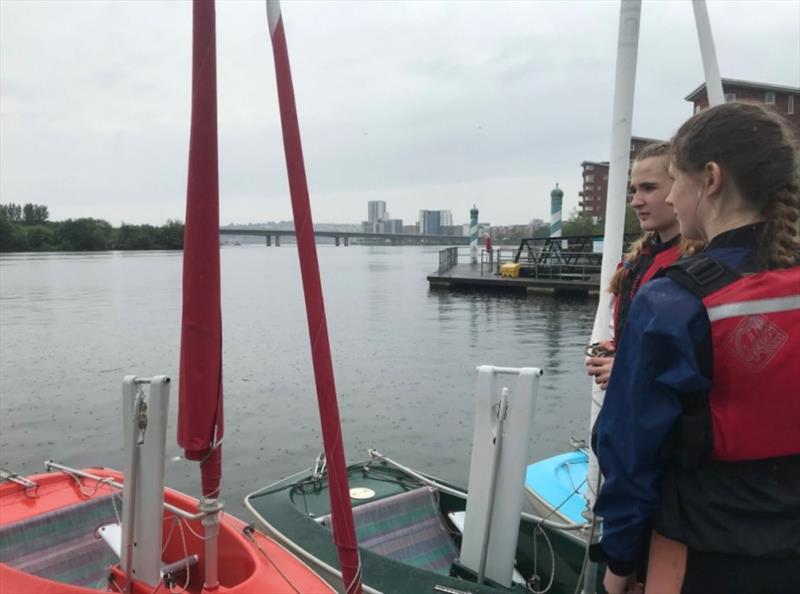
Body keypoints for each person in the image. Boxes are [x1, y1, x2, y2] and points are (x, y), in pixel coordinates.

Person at [591, 101, 800, 594]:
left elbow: (629, 449)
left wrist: (619, 563)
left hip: (703, 545)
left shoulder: (675, 300)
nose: (675, 199)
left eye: (675, 183)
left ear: (710, 179)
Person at [586, 142, 685, 390]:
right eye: (633, 190)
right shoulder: (638, 261)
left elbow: (703, 359)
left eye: (649, 188)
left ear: (683, 187)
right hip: (632, 409)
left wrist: (626, 369)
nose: (635, 201)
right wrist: (610, 349)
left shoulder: (698, 266)